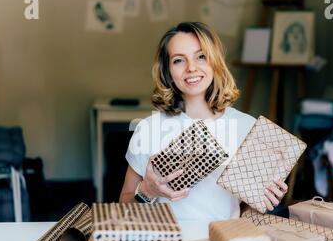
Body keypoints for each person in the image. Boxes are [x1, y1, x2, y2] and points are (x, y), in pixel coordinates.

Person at [119, 22, 288, 225]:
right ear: (168, 70)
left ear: (215, 62)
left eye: (201, 56)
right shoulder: (148, 128)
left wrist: (261, 200)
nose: (192, 67)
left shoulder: (247, 127)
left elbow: (244, 213)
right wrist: (147, 191)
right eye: (179, 60)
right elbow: (123, 211)